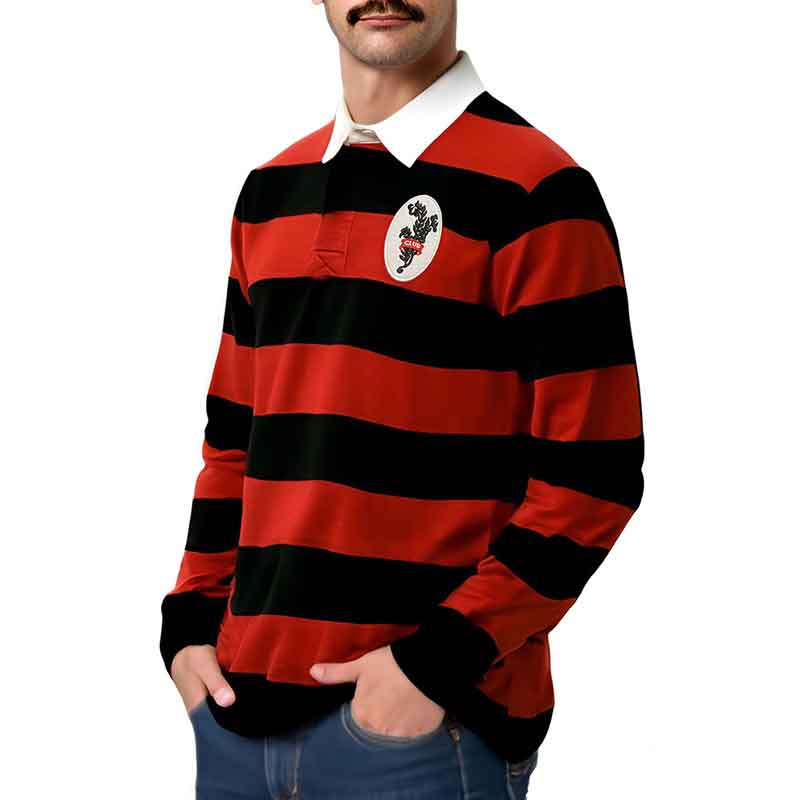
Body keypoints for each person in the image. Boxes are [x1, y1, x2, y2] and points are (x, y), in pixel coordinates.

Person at [159, 1, 645, 797]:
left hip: (422, 732)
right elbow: (235, 439)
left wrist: (432, 665)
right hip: (238, 717)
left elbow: (594, 478)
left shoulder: (538, 190)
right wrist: (188, 625)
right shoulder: (269, 192)